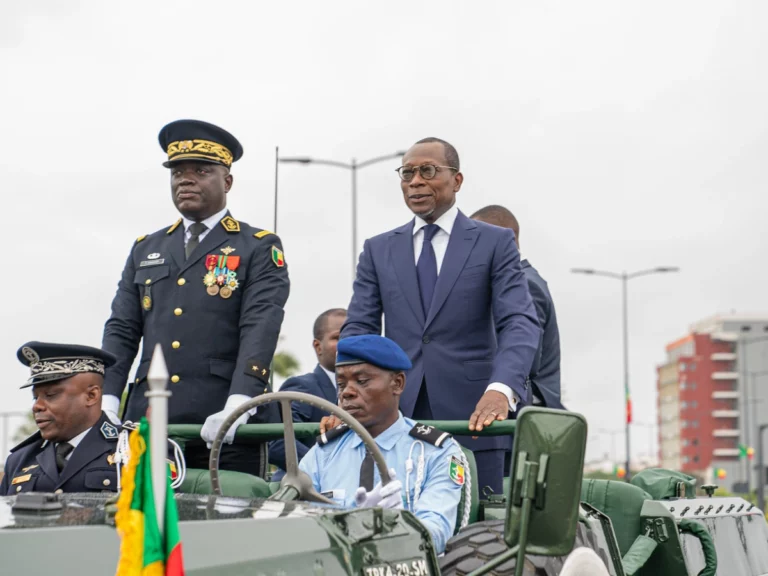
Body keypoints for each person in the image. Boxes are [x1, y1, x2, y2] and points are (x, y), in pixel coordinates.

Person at [341, 137, 541, 494]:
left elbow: (519, 321)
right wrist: (350, 391)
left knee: (480, 534)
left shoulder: (494, 243)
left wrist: (501, 389)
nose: (415, 181)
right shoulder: (378, 249)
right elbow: (359, 329)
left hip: (476, 420)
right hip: (395, 420)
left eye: (427, 171)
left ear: (457, 180)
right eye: (407, 173)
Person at [100, 119, 290, 477]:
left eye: (200, 171)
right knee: (146, 527)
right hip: (149, 419)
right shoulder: (147, 248)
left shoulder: (258, 246)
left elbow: (260, 326)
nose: (185, 180)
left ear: (227, 181)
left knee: (227, 523)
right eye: (177, 173)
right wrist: (108, 398)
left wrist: (241, 402)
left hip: (224, 419)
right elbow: (122, 329)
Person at [299, 334, 465, 554]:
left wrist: (395, 528)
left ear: (397, 384)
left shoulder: (436, 451)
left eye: (362, 381)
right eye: (341, 384)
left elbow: (437, 532)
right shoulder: (324, 453)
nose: (346, 392)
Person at [470, 205, 563, 410]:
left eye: (477, 240)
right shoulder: (521, 281)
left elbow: (525, 358)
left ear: (506, 239)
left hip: (523, 415)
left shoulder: (525, 284)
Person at [1, 342, 122, 495]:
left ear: (92, 396)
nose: (37, 406)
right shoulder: (19, 460)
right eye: (35, 397)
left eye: (50, 395)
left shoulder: (133, 448)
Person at [269, 308, 346, 475]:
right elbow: (278, 443)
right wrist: (326, 470)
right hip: (307, 488)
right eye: (337, 337)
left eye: (353, 337)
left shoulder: (370, 393)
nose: (346, 343)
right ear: (318, 346)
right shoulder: (303, 387)